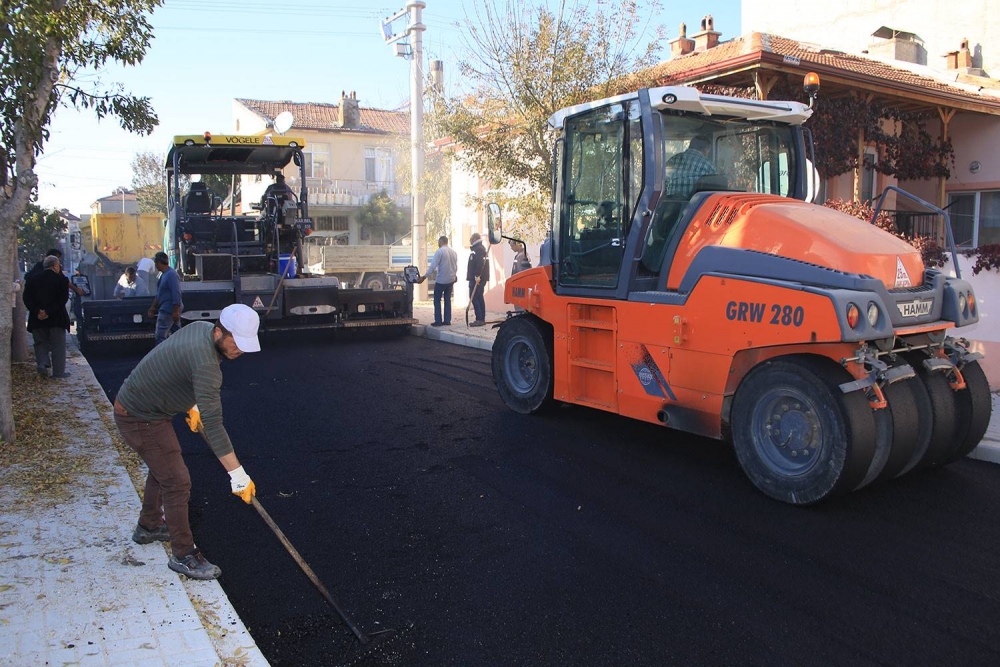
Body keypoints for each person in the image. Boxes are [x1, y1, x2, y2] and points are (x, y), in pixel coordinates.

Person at [113, 303, 261, 580]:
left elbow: (176, 365)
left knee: (164, 467)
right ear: (219, 332)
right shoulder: (207, 365)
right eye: (237, 342)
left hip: (144, 406)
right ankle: (183, 555)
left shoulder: (200, 329)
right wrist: (237, 475)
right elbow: (214, 425)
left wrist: (190, 404)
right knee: (177, 481)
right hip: (139, 416)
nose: (240, 350)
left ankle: (149, 526)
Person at [22, 255, 71, 379]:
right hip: (56, 318)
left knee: (40, 343)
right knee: (58, 345)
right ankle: (58, 373)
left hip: (37, 319)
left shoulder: (32, 279)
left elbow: (26, 298)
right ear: (55, 266)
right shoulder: (62, 280)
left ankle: (42, 363)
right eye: (59, 265)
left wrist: (38, 311)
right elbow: (62, 299)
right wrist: (48, 312)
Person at [416, 235, 459, 326]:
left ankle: (438, 320)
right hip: (450, 280)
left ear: (441, 242)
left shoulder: (439, 252)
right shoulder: (454, 252)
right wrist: (454, 276)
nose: (438, 244)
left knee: (437, 300)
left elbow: (432, 267)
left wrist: (424, 277)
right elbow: (455, 266)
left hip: (441, 280)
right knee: (447, 300)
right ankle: (447, 320)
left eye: (438, 242)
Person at [148, 251, 182, 344]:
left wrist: (175, 311)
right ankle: (177, 354)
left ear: (159, 263)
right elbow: (159, 294)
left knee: (160, 336)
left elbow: (176, 293)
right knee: (178, 334)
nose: (155, 265)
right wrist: (153, 307)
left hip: (168, 309)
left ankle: (162, 356)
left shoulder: (171, 275)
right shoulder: (163, 275)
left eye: (155, 263)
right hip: (169, 309)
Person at [466, 232, 489, 327]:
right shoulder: (479, 248)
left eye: (471, 238)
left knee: (475, 297)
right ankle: (481, 318)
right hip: (479, 278)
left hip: (477, 278)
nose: (470, 240)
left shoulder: (478, 249)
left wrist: (477, 276)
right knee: (479, 297)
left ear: (475, 239)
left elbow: (480, 264)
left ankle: (479, 318)